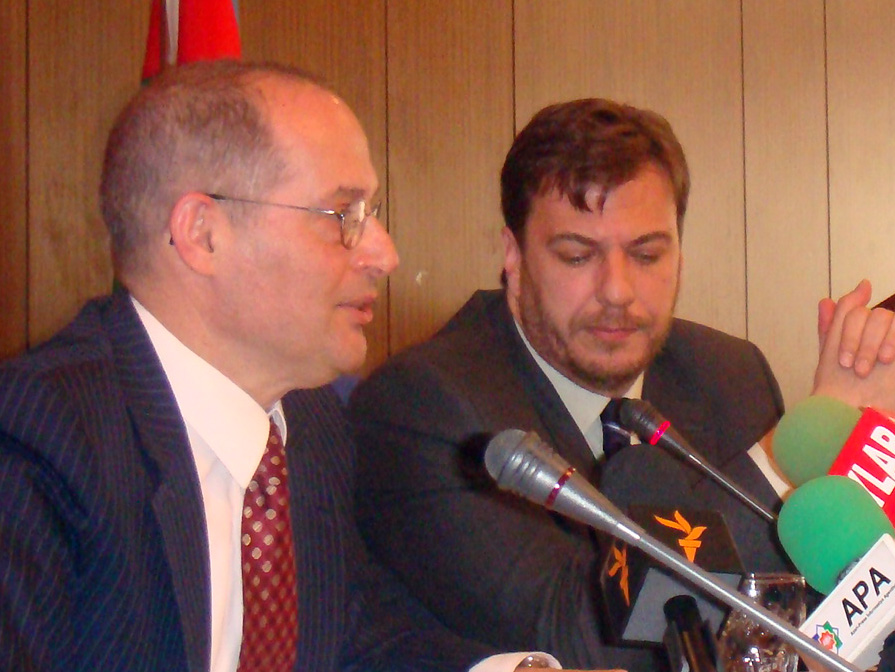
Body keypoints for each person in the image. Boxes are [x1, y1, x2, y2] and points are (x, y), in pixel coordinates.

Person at [0, 60, 599, 672]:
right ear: (203, 234)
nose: (385, 253)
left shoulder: (308, 422)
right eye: (344, 216)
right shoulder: (37, 437)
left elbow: (357, 636)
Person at [346, 98, 895, 672]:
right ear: (513, 255)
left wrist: (869, 450)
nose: (618, 291)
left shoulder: (728, 374)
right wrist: (801, 446)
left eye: (647, 255)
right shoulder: (427, 408)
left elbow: (797, 612)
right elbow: (579, 641)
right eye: (577, 255)